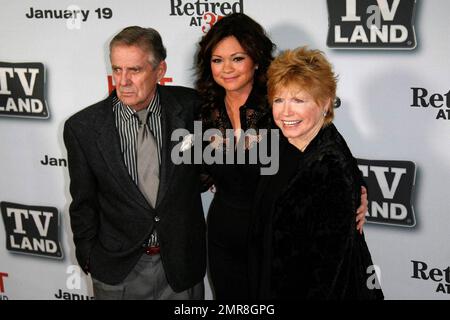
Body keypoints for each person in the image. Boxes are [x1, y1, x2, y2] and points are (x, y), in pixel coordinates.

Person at [195, 13, 368, 299]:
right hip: (224, 239)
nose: (227, 68)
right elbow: (195, 173)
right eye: (217, 60)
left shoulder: (283, 106)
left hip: (275, 240)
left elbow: (332, 155)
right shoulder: (203, 110)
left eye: (237, 58)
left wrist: (360, 192)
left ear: (256, 59)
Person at [63, 26, 205, 299]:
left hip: (180, 267)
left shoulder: (190, 108)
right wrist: (90, 258)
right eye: (117, 69)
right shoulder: (83, 128)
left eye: (135, 70)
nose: (123, 81)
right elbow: (83, 203)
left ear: (160, 70)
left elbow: (206, 172)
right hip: (118, 271)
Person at [249, 46, 384, 299]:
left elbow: (328, 274)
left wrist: (354, 190)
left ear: (324, 103)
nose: (285, 111)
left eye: (298, 100)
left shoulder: (329, 165)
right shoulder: (285, 141)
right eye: (279, 100)